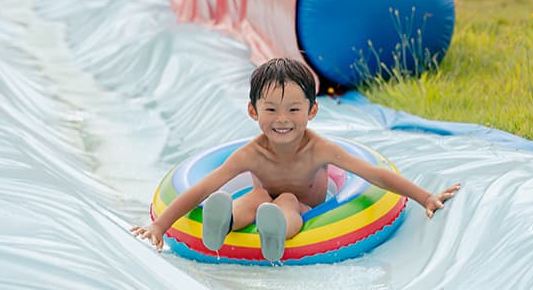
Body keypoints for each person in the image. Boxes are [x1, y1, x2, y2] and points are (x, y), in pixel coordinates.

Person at [132, 57, 461, 262]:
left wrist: (424, 196)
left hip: (303, 207)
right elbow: (202, 188)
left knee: (285, 200)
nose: (282, 119)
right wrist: (160, 225)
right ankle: (225, 221)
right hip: (263, 204)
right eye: (271, 110)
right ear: (253, 111)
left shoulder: (320, 149)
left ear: (312, 111)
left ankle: (271, 229)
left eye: (293, 109)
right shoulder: (249, 153)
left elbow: (373, 174)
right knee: (256, 197)